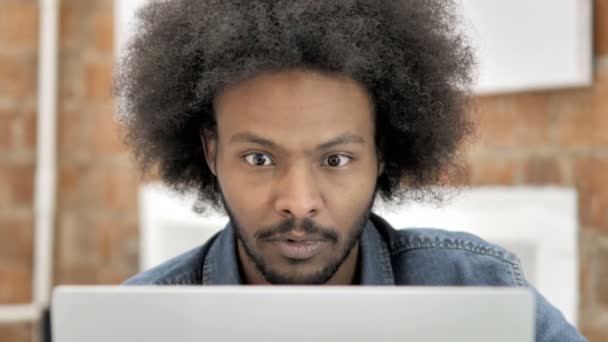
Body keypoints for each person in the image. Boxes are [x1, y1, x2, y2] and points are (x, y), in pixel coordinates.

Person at [115, 0, 587, 340]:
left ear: (382, 152)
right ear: (211, 151)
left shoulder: (479, 289)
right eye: (259, 159)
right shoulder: (131, 326)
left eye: (335, 160)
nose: (299, 202)